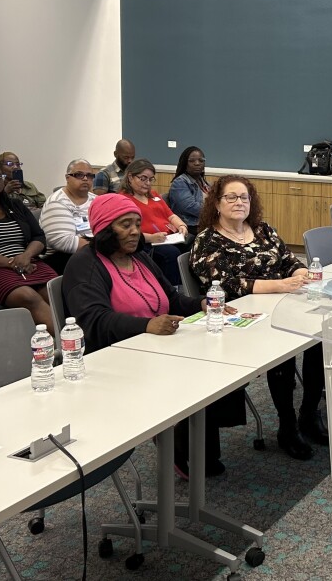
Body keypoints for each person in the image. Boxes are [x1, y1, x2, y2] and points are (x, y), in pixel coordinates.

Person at [62, 193, 240, 477]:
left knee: (220, 362)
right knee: (199, 370)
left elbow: (171, 298)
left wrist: (202, 305)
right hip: (115, 357)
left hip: (154, 346)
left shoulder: (140, 258)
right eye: (125, 225)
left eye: (137, 224)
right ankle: (182, 448)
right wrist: (146, 326)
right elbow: (94, 321)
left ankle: (195, 446)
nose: (135, 231)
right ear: (105, 229)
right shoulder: (86, 264)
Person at [190, 175, 328, 461]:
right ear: (216, 203)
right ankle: (287, 424)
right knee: (284, 344)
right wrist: (277, 285)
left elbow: (289, 260)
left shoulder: (263, 230)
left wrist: (299, 273)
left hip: (282, 303)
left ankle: (309, 413)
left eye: (244, 197)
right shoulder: (207, 240)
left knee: (321, 334)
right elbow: (224, 284)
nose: (239, 202)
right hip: (240, 317)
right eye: (231, 197)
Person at [0, 161, 57, 333]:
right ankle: (68, 346)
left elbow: (38, 236)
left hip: (28, 263)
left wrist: (26, 256)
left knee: (54, 290)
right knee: (28, 296)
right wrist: (11, 262)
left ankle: (75, 340)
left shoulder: (15, 205)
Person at [119, 158, 190, 285]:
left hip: (169, 237)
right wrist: (151, 238)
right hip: (146, 243)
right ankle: (173, 291)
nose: (147, 183)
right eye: (143, 178)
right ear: (130, 177)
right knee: (171, 253)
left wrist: (181, 226)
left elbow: (170, 215)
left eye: (151, 179)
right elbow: (126, 231)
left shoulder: (154, 195)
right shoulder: (123, 199)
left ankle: (190, 287)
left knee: (193, 243)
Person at [40, 159, 97, 274]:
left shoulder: (97, 200)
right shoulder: (57, 202)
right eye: (79, 175)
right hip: (62, 258)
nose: (85, 179)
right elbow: (63, 241)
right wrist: (106, 247)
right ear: (67, 178)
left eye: (89, 175)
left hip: (94, 250)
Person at [167, 146, 210, 229]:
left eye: (201, 160)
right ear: (184, 163)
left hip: (206, 222)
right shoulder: (180, 182)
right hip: (190, 226)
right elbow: (191, 207)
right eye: (192, 161)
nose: (197, 163)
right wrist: (216, 211)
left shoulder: (203, 182)